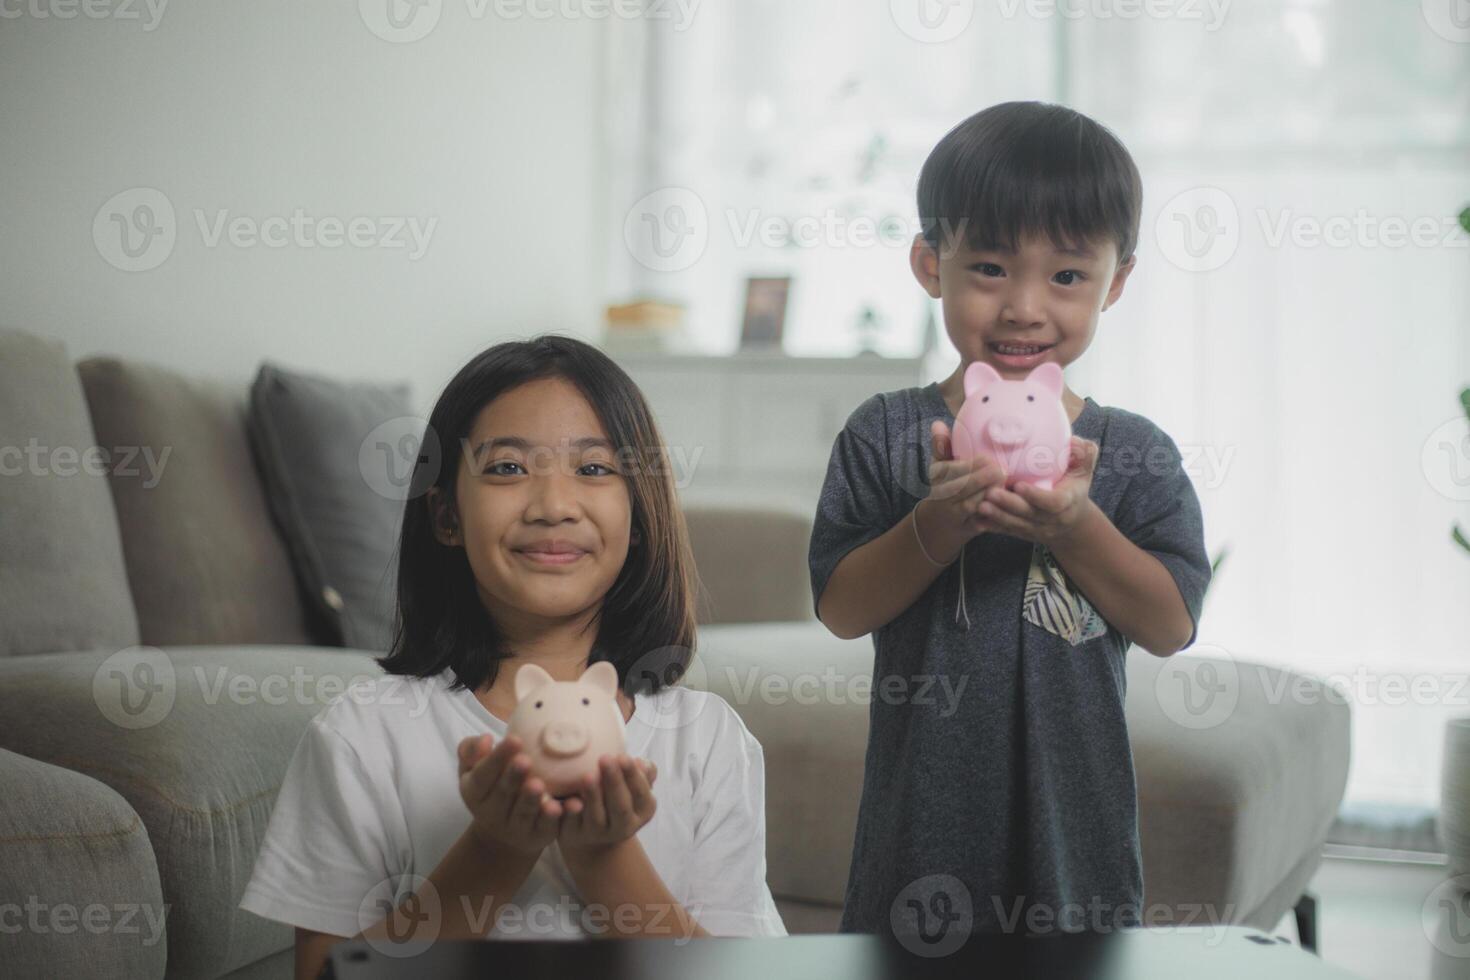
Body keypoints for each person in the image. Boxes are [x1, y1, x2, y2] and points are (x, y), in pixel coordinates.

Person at [240, 335, 786, 980]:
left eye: (593, 469)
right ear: (445, 514)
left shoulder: (708, 740)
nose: (553, 507)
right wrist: (495, 849)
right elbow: (324, 974)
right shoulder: (364, 734)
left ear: (637, 517)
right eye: (506, 468)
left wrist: (605, 858)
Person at [809, 101, 1212, 939]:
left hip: (1076, 837)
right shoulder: (885, 433)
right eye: (990, 267)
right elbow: (843, 609)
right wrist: (938, 525)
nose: (1026, 307)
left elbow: (1170, 624)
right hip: (916, 837)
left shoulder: (1133, 452)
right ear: (930, 263)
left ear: (1118, 281)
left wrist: (1076, 528)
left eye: (1067, 276)